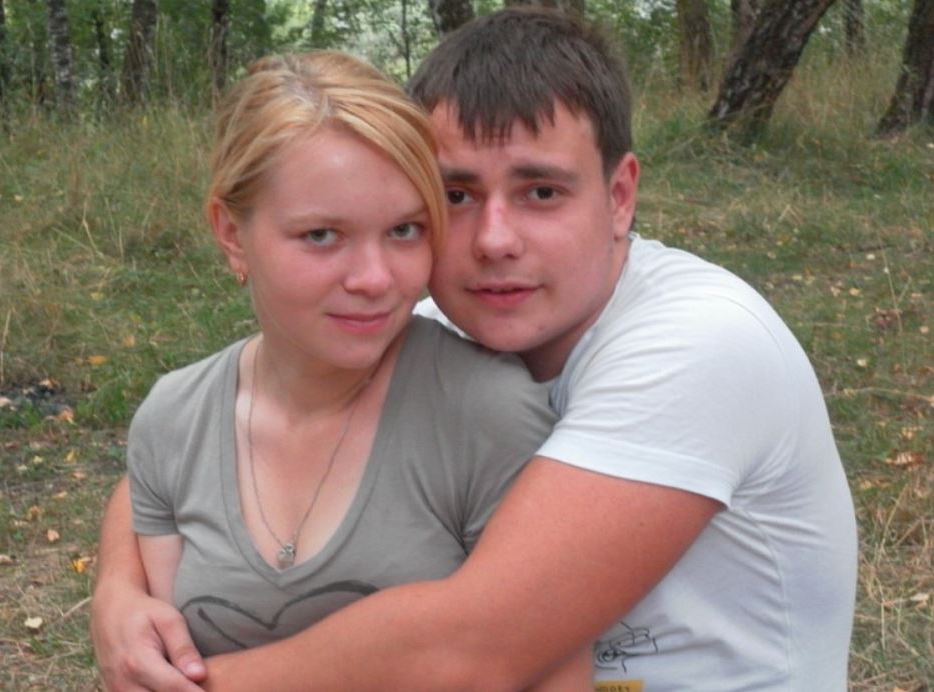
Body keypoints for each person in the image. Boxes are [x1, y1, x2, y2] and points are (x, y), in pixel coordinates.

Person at [91, 8, 858, 691]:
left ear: (619, 196)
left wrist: (193, 683)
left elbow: (473, 649)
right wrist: (118, 590)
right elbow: (200, 439)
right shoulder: (441, 311)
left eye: (540, 192)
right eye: (455, 196)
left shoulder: (698, 343)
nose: (494, 241)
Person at [107, 48, 591, 688]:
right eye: (322, 235)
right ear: (230, 233)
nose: (374, 279)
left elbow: (549, 668)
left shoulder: (485, 412)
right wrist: (115, 591)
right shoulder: (173, 420)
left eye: (404, 230)